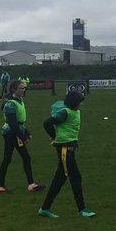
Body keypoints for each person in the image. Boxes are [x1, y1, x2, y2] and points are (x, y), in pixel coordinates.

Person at [38, 89, 93, 218]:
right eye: (80, 102)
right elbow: (47, 123)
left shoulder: (75, 111)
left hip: (69, 148)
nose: (82, 104)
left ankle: (45, 208)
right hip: (65, 149)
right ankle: (82, 209)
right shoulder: (65, 113)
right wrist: (54, 136)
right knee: (75, 178)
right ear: (74, 102)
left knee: (60, 179)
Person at [0, 80, 42, 194]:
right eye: (21, 88)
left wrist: (26, 132)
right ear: (14, 90)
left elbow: (19, 121)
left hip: (15, 132)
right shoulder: (11, 104)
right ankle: (29, 185)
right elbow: (12, 124)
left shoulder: (19, 100)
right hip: (11, 134)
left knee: (13, 158)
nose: (23, 90)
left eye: (24, 88)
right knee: (19, 157)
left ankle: (2, 186)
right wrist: (23, 137)